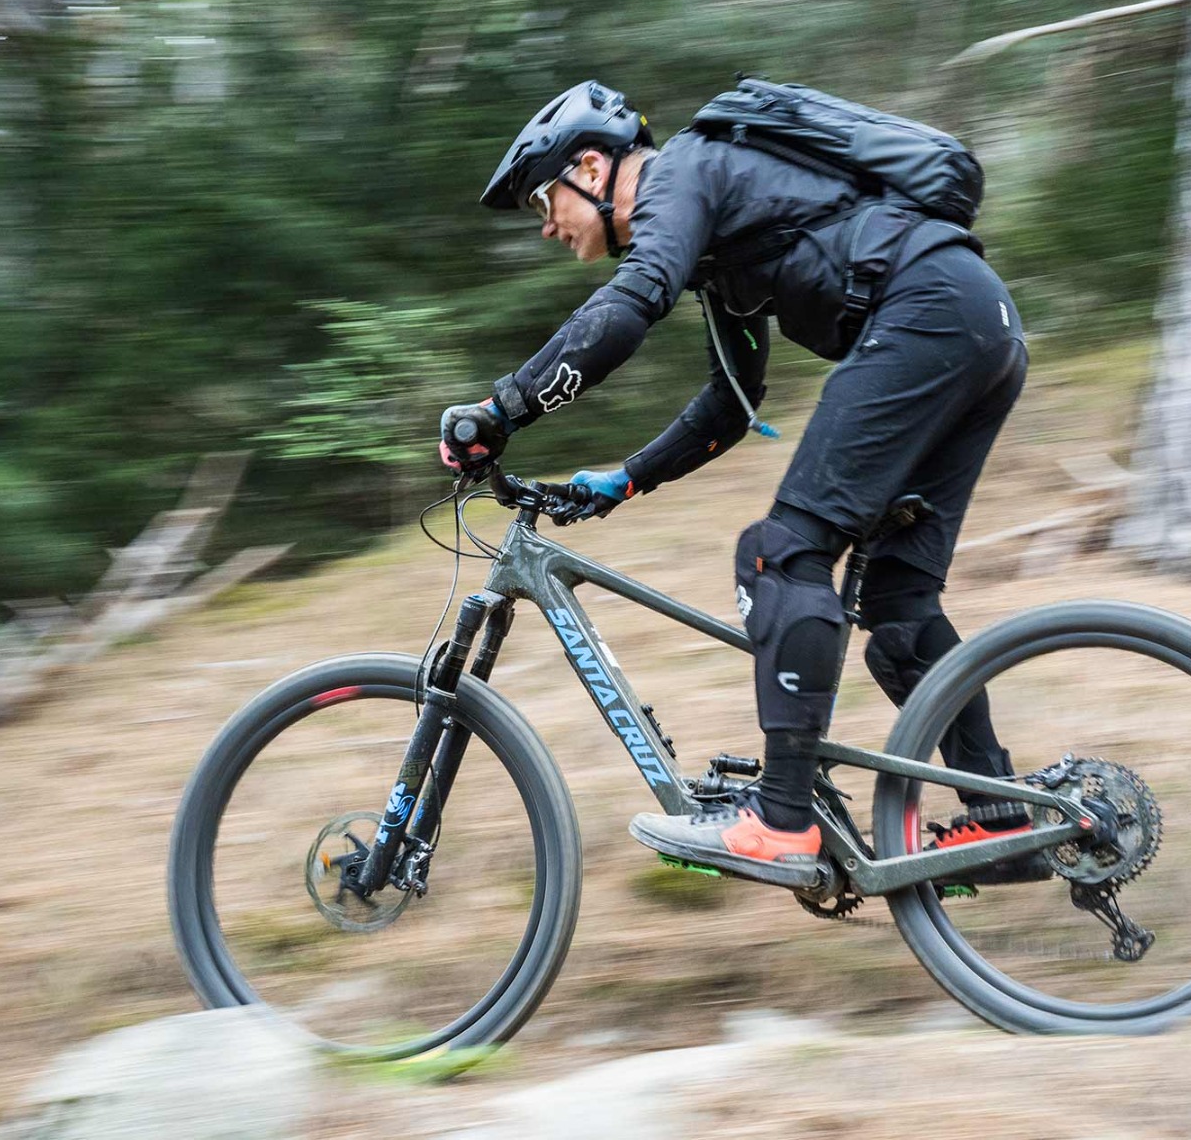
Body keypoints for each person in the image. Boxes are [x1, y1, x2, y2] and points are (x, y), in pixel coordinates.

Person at [442, 81, 1031, 889]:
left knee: (778, 554)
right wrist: (624, 481)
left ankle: (781, 821)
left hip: (926, 313)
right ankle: (1004, 821)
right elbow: (732, 401)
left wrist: (502, 409)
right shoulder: (721, 249)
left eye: (546, 201)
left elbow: (628, 307)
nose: (548, 225)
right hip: (976, 323)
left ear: (590, 166)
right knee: (899, 608)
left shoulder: (685, 170)